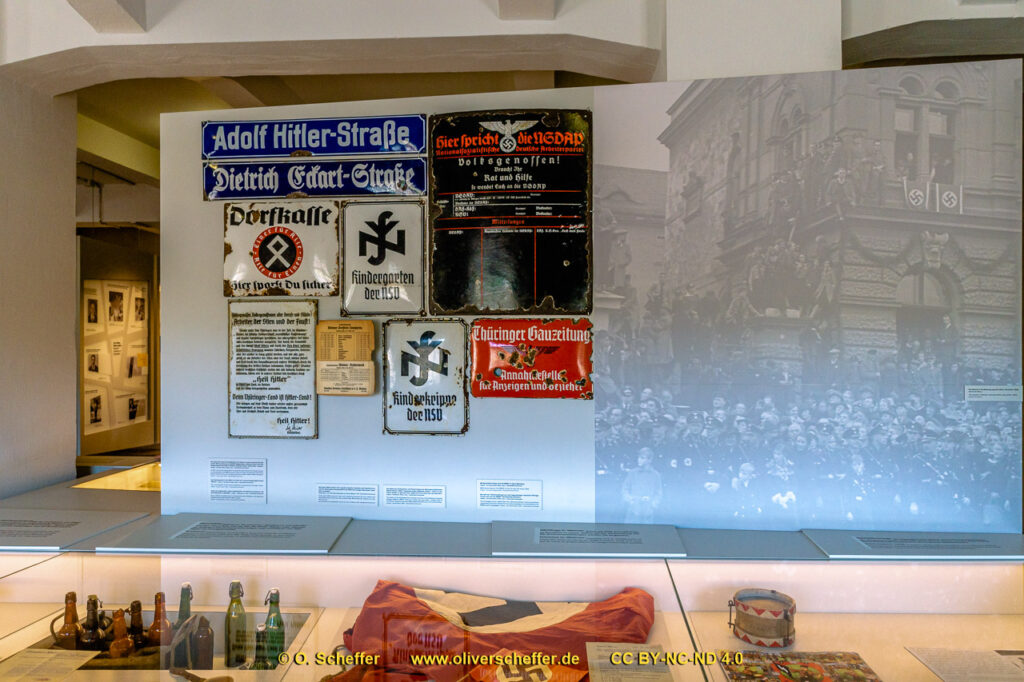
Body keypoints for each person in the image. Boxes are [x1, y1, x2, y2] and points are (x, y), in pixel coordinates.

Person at [622, 447, 662, 524]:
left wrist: (653, 504)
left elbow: (658, 492)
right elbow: (625, 489)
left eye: (642, 458)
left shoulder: (655, 475)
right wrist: (630, 500)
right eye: (639, 457)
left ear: (649, 460)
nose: (639, 460)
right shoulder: (632, 473)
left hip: (647, 512)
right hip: (633, 511)